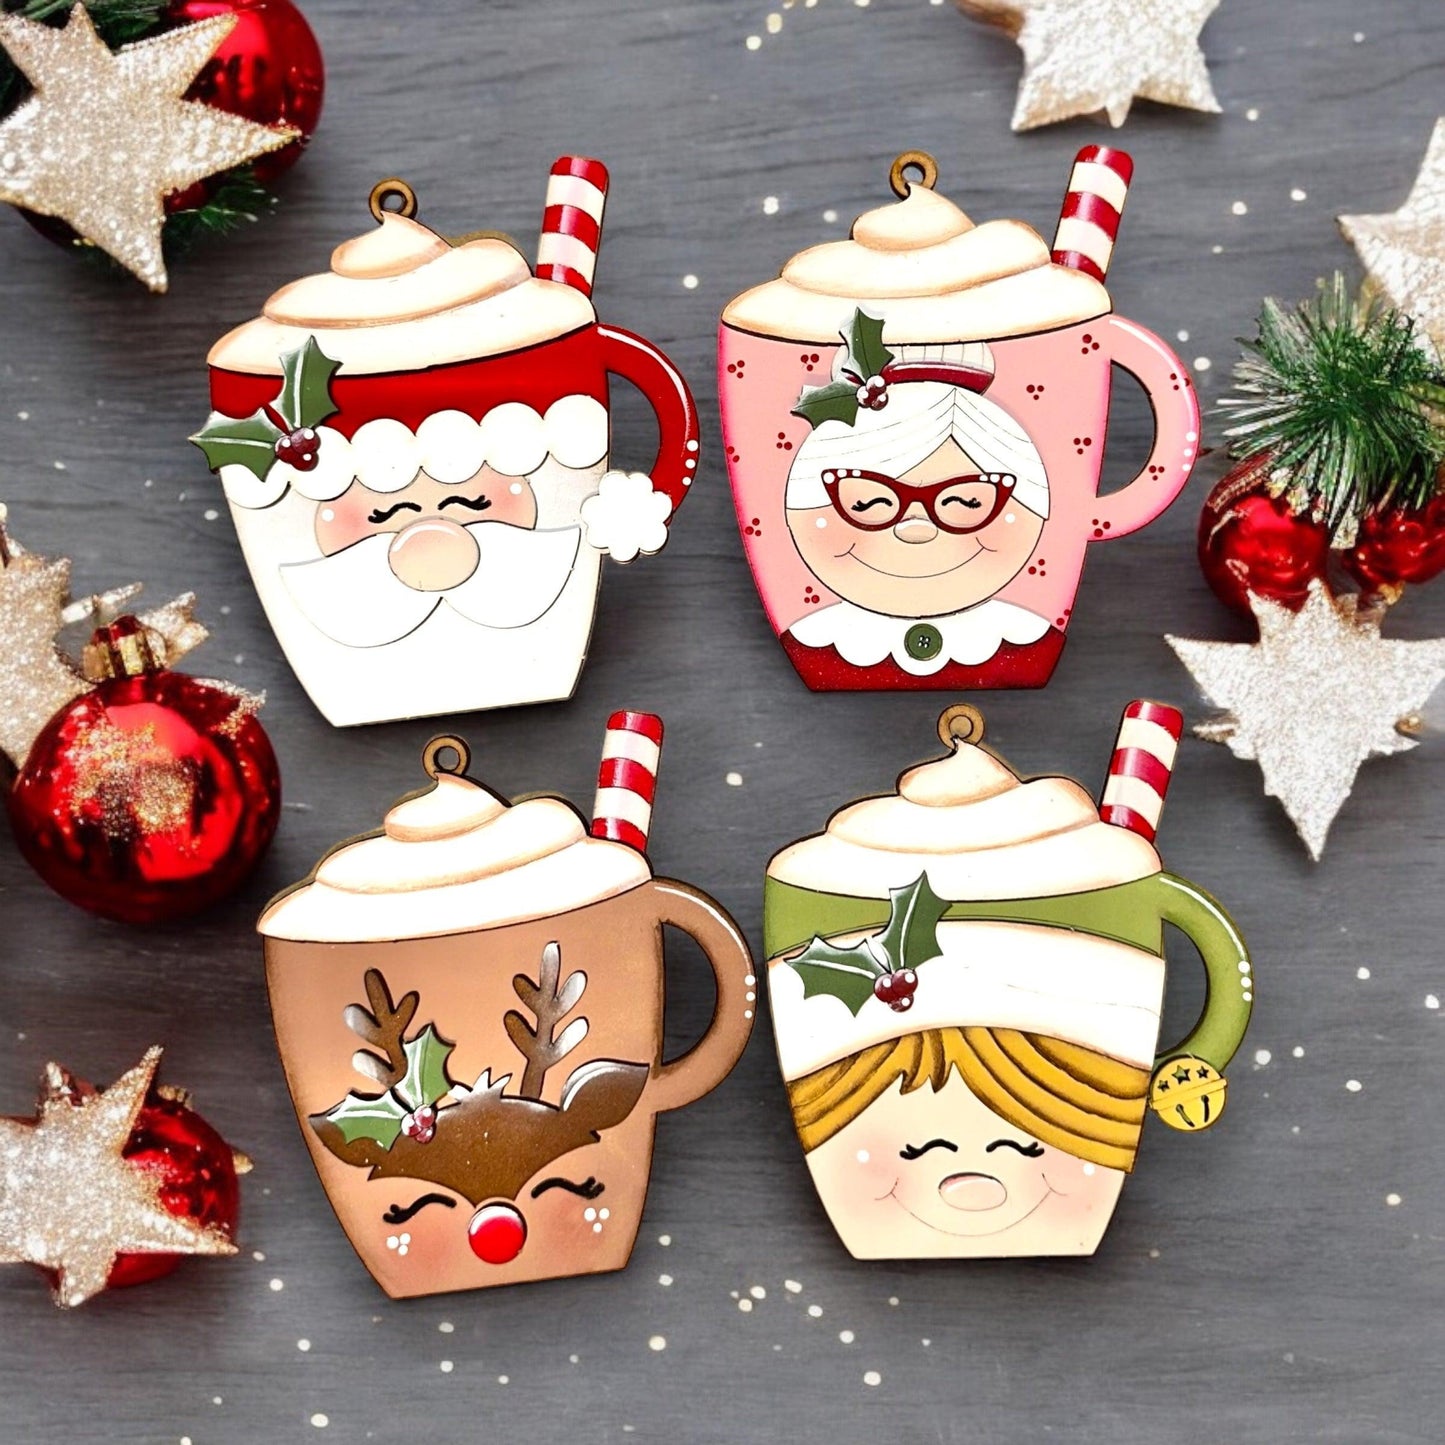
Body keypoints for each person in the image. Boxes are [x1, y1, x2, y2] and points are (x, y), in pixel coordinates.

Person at [783, 342, 1062, 683]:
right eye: (867, 503)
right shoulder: (816, 640)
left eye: (967, 502)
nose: (916, 528)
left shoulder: (1025, 638)